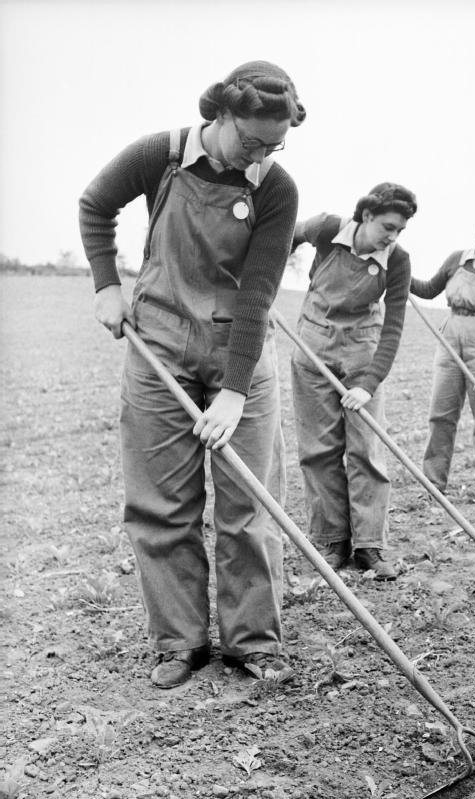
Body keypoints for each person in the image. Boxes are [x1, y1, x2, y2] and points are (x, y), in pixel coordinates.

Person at [78, 61, 306, 688]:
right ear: (221, 115)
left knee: (249, 503)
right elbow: (96, 205)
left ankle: (253, 641)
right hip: (162, 343)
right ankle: (179, 641)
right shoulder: (162, 154)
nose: (259, 154)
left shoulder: (277, 189)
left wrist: (235, 393)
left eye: (274, 144)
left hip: (241, 350)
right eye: (251, 140)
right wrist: (106, 285)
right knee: (161, 504)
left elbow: (258, 295)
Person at [290, 184, 417, 580]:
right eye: (388, 226)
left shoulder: (397, 261)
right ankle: (330, 540)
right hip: (311, 345)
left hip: (362, 351)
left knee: (365, 450)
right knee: (318, 449)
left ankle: (369, 546)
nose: (393, 235)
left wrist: (369, 382)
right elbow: (279, 238)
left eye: (400, 229)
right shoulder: (326, 228)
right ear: (366, 216)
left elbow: (394, 326)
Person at [410, 217, 475, 504]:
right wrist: (401, 275)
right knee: (441, 415)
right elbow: (429, 288)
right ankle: (433, 483)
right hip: (450, 339)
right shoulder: (457, 260)